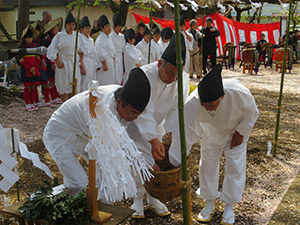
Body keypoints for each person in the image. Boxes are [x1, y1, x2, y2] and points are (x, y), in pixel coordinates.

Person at [168, 64, 259, 225]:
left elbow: (252, 112)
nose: (207, 108)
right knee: (207, 165)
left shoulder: (238, 92)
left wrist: (242, 132)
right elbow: (184, 131)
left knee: (235, 167)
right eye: (204, 105)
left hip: (235, 131)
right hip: (211, 131)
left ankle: (229, 206)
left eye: (211, 106)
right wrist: (176, 162)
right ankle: (209, 202)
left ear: (222, 97)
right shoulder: (193, 101)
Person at [43, 68, 151, 196]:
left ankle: (97, 206)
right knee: (79, 183)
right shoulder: (103, 109)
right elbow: (107, 148)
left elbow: (129, 137)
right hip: (59, 134)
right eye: (132, 112)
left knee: (103, 177)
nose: (135, 117)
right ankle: (47, 202)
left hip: (83, 135)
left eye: (139, 113)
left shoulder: (122, 96)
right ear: (118, 102)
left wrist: (148, 159)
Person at [126, 34, 190, 218]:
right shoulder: (145, 76)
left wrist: (172, 133)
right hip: (137, 123)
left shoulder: (182, 79)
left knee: (157, 160)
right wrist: (152, 140)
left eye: (177, 74)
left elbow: (177, 108)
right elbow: (143, 111)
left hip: (159, 124)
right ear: (159, 64)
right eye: (170, 72)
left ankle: (153, 197)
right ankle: (137, 198)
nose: (173, 78)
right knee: (139, 159)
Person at [46, 11, 83, 102]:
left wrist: (80, 62)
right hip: (63, 62)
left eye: (73, 25)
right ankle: (64, 104)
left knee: (73, 85)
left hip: (73, 62)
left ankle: (71, 106)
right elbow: (53, 49)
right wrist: (57, 61)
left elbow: (81, 50)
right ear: (66, 25)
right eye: (69, 24)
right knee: (63, 84)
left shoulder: (77, 36)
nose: (71, 27)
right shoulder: (59, 36)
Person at [18, 25, 41, 111]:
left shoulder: (35, 46)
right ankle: (27, 104)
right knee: (27, 87)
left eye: (30, 37)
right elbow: (20, 60)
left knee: (33, 87)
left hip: (34, 69)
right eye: (27, 38)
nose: (29, 40)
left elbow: (38, 58)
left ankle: (32, 102)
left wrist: (34, 67)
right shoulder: (20, 47)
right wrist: (29, 67)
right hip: (25, 69)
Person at [43, 17, 63, 104]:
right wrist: (51, 62)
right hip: (50, 62)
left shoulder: (58, 38)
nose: (56, 30)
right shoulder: (48, 40)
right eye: (54, 29)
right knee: (51, 81)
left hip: (57, 61)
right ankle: (52, 96)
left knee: (56, 79)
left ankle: (55, 96)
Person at [95, 15, 116, 85]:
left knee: (110, 82)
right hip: (105, 64)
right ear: (102, 28)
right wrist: (104, 64)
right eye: (107, 27)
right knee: (104, 83)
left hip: (110, 62)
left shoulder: (109, 38)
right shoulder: (100, 39)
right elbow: (101, 53)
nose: (109, 28)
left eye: (109, 26)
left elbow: (112, 50)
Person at [79, 16, 95, 91]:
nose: (88, 30)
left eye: (89, 28)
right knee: (84, 82)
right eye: (86, 28)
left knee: (91, 80)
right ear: (81, 29)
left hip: (91, 62)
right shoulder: (80, 38)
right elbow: (80, 53)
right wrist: (81, 66)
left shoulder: (91, 40)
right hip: (84, 61)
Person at [109, 13, 125, 85]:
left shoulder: (122, 37)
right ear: (114, 27)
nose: (120, 29)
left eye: (121, 27)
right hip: (113, 58)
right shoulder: (110, 36)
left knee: (119, 77)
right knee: (113, 77)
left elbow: (123, 49)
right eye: (118, 27)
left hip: (120, 58)